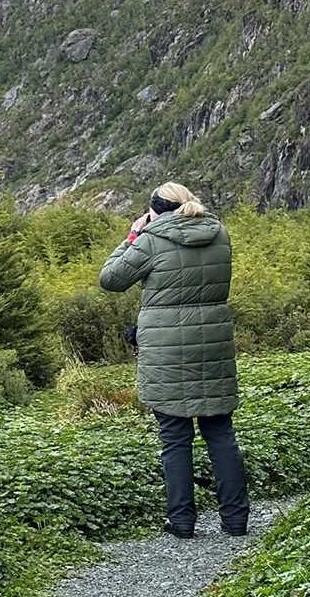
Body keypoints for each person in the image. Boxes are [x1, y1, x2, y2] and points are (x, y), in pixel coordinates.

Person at [99, 181, 250, 538]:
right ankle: (236, 520)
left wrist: (134, 235)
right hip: (213, 346)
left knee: (175, 438)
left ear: (155, 211)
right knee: (220, 433)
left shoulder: (151, 239)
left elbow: (111, 279)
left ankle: (182, 521)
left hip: (167, 351)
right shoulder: (220, 233)